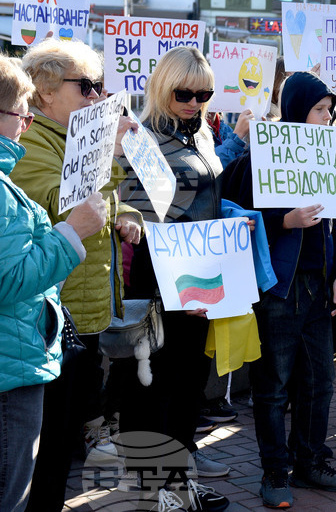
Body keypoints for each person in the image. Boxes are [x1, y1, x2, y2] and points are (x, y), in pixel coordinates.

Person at [9, 40, 142, 511]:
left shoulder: (69, 136)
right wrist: (109, 154)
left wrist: (126, 213)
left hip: (82, 309)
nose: (95, 96)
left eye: (98, 86)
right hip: (52, 316)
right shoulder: (31, 141)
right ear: (45, 92)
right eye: (85, 86)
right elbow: (60, 203)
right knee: (45, 447)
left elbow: (102, 204)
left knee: (63, 438)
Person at [220, 72, 336, 507]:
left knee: (320, 382)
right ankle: (275, 470)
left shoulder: (332, 152)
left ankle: (311, 461)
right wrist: (285, 220)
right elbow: (237, 212)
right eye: (320, 109)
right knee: (274, 384)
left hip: (319, 286)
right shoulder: (261, 153)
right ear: (298, 107)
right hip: (280, 288)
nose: (327, 117)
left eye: (330, 110)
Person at [116, 47, 234, 504]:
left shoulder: (201, 133)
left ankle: (182, 479)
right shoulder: (139, 138)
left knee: (189, 377)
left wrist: (228, 223)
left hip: (201, 267)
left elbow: (209, 193)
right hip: (159, 270)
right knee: (155, 379)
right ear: (163, 87)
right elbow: (127, 205)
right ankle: (155, 487)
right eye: (184, 92)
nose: (194, 101)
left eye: (203, 93)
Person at [0, 56, 105, 512]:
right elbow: (10, 279)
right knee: (13, 485)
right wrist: (69, 232)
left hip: (20, 351)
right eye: (19, 109)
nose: (26, 119)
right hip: (12, 364)